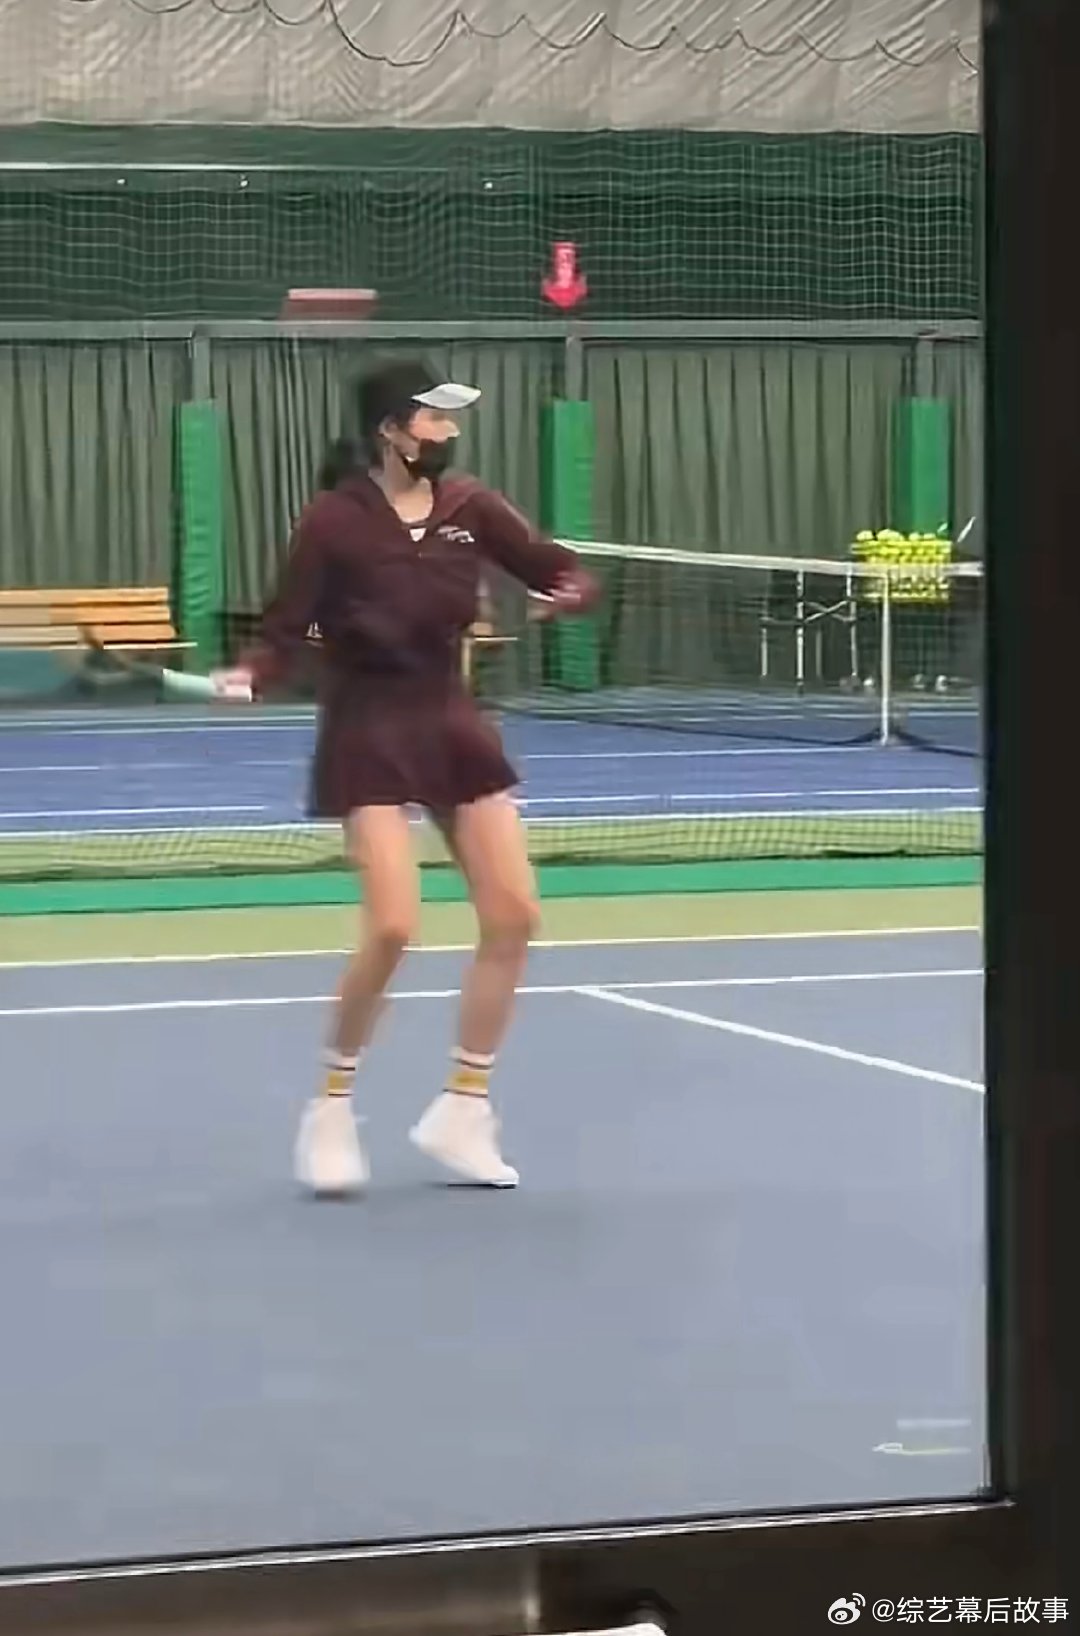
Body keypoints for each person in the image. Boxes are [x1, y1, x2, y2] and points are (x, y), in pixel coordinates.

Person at [215, 359, 600, 1198]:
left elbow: (552, 566)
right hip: (367, 728)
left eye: (450, 419)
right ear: (391, 429)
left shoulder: (473, 507)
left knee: (514, 914)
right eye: (434, 417)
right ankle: (330, 1108)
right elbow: (285, 627)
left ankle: (464, 1110)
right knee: (393, 926)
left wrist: (569, 590)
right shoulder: (333, 521)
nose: (449, 431)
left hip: (450, 721)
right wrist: (253, 672)